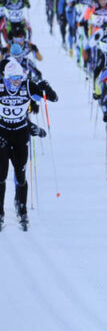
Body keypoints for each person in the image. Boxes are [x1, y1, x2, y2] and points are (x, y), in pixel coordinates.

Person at [0, 61, 56, 231]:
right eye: (12, 79)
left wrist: (47, 88)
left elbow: (52, 98)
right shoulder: (1, 86)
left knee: (21, 175)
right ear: (6, 77)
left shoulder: (28, 86)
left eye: (18, 78)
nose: (16, 82)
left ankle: (22, 209)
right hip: (2, 135)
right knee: (1, 176)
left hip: (20, 135)